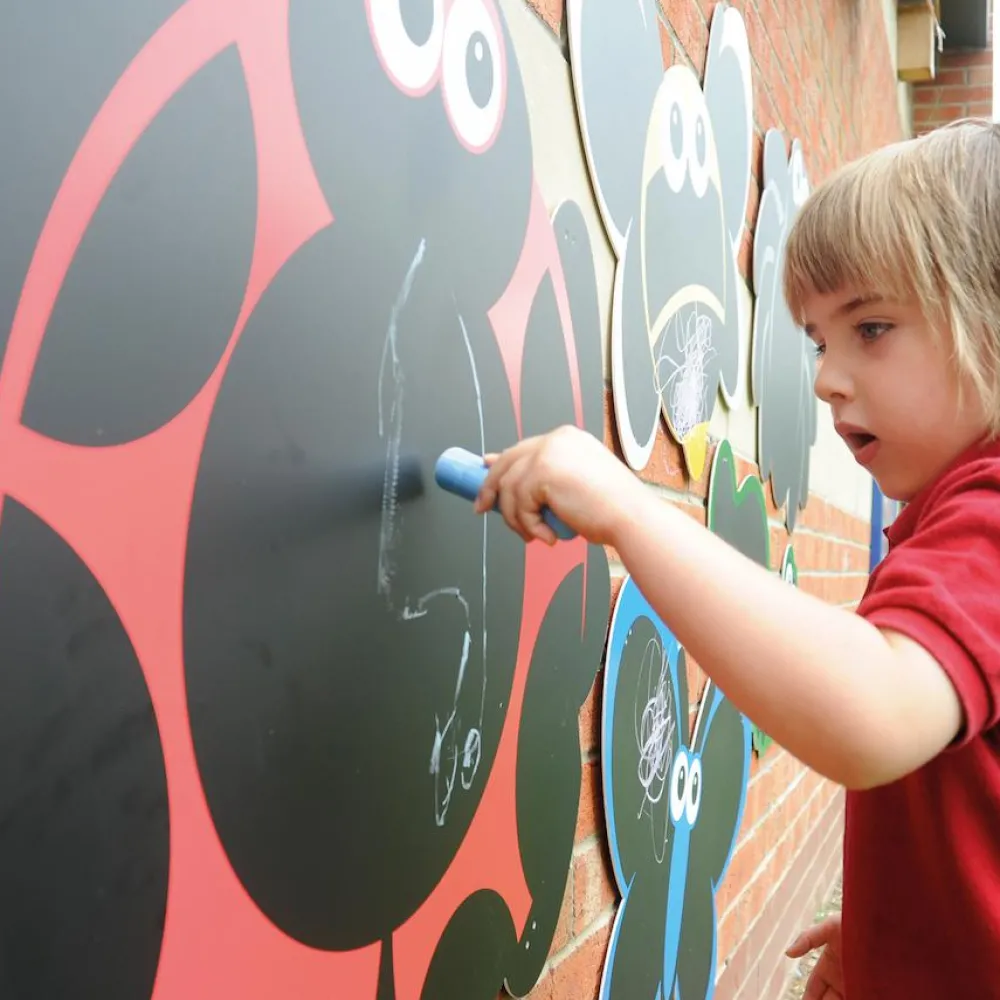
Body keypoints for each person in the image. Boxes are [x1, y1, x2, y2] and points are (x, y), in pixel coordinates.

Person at [475, 117, 1000, 999]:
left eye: (871, 328)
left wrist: (628, 511)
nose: (828, 378)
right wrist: (901, 929)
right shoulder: (940, 515)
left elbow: (870, 710)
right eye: (817, 342)